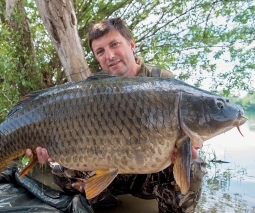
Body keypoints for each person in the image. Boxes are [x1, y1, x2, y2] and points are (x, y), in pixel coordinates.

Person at [26, 17, 206, 213]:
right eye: (100, 52)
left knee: (193, 166)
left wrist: (187, 146)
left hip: (149, 175)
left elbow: (194, 135)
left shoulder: (163, 83)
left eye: (114, 44)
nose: (109, 55)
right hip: (110, 171)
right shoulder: (93, 91)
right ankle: (109, 205)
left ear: (131, 44)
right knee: (60, 170)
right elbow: (73, 137)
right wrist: (49, 151)